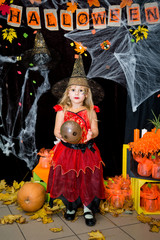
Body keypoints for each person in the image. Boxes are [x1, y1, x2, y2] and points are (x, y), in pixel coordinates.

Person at [47, 55, 105, 226]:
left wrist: (90, 135)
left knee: (88, 179)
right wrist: (61, 135)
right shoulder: (61, 110)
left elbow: (95, 130)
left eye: (81, 90)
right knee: (69, 178)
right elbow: (56, 130)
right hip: (67, 151)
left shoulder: (90, 111)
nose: (77, 93)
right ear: (67, 93)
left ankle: (88, 209)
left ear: (87, 93)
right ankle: (70, 206)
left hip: (86, 150)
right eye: (73, 90)